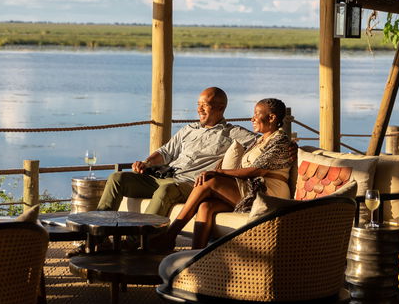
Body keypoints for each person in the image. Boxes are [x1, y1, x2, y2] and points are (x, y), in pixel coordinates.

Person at [150, 97, 296, 251]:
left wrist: (218, 171)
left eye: (256, 114)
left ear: (272, 117)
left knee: (210, 181)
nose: (251, 118)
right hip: (253, 189)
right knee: (206, 206)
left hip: (269, 194)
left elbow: (257, 170)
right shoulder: (260, 140)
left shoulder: (280, 141)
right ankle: (195, 255)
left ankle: (171, 234)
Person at [93, 87, 257, 217]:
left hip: (188, 185)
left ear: (220, 108)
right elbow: (165, 152)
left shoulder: (231, 133)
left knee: (166, 190)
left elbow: (265, 142)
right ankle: (98, 235)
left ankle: (139, 241)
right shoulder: (189, 129)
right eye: (198, 104)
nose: (199, 109)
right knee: (117, 178)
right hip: (164, 176)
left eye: (205, 105)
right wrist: (147, 163)